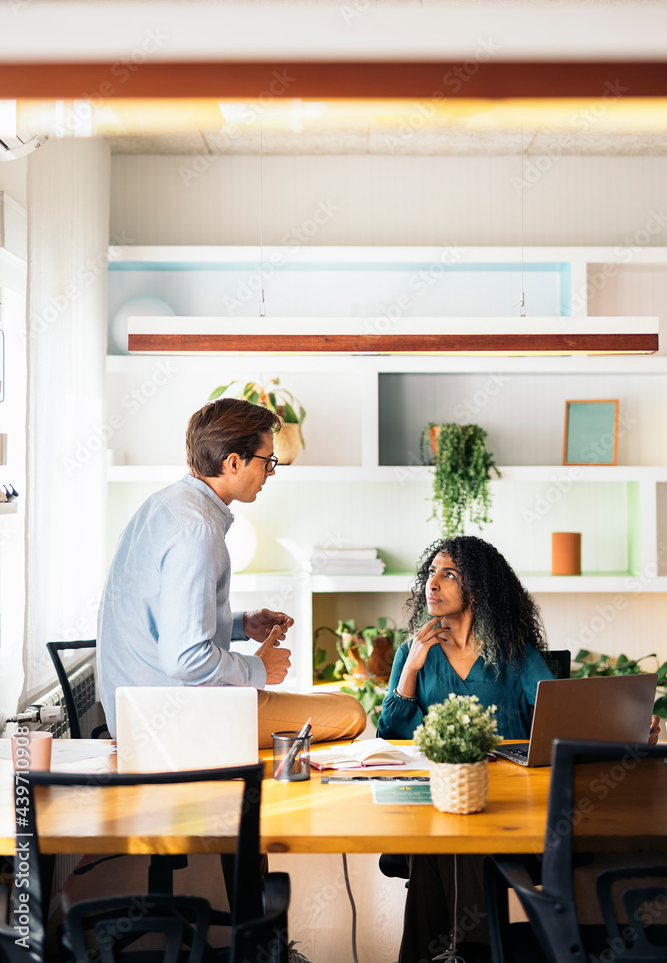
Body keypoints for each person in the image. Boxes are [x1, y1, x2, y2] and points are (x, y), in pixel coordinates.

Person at [378, 535, 661, 963]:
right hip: (441, 794)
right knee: (440, 837)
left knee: (453, 841)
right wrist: (411, 672)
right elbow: (393, 736)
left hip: (510, 799)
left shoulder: (513, 652)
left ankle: (450, 954)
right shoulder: (411, 653)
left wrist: (631, 730)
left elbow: (567, 715)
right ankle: (463, 953)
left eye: (449, 574)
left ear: (478, 589)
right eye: (431, 573)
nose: (432, 584)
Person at [98, 397, 365, 747]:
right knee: (351, 713)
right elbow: (184, 659)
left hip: (138, 712)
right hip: (173, 721)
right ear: (234, 462)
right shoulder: (198, 532)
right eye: (267, 461)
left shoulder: (163, 505)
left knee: (334, 708)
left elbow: (167, 622)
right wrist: (258, 669)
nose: (271, 471)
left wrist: (240, 624)